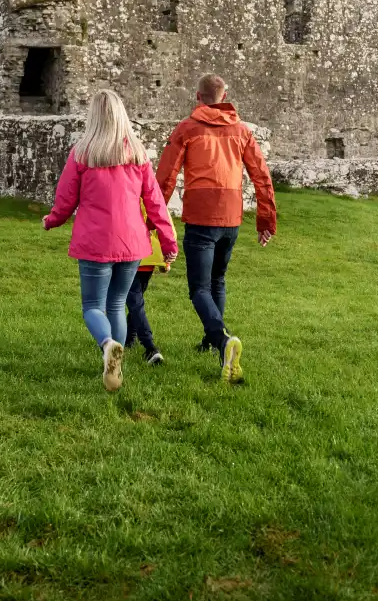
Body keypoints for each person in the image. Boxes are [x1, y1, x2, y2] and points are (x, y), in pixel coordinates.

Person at [44, 90, 177, 392]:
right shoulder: (138, 153)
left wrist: (52, 221)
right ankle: (116, 361)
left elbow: (65, 200)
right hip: (132, 242)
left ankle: (107, 345)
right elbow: (155, 203)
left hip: (95, 241)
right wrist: (169, 244)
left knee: (92, 305)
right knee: (117, 302)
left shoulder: (83, 153)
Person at [156, 74, 276, 384]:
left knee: (199, 288)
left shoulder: (188, 128)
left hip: (201, 217)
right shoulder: (240, 130)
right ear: (225, 96)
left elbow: (167, 176)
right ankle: (211, 341)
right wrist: (265, 219)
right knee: (218, 280)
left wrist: (152, 218)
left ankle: (222, 340)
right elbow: (261, 175)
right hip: (231, 218)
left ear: (198, 96)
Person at [124, 202, 173, 366]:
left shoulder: (126, 191)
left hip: (130, 253)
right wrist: (167, 254)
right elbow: (164, 221)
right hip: (150, 255)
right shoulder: (150, 192)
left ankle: (150, 346)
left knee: (135, 301)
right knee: (135, 301)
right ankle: (128, 339)